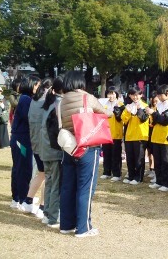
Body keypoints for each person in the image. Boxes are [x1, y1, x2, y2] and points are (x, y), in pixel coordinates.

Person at [59, 71, 106, 237]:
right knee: (85, 188)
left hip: (69, 148)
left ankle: (66, 224)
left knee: (68, 187)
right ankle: (83, 227)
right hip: (87, 146)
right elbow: (105, 113)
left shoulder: (62, 101)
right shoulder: (88, 98)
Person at [20, 78, 53, 218]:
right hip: (45, 144)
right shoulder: (47, 101)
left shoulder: (34, 100)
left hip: (35, 143)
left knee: (41, 173)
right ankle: (42, 207)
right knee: (48, 176)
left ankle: (28, 201)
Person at [9, 76, 41, 209]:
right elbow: (30, 118)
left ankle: (17, 198)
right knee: (23, 169)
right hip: (21, 140)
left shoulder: (25, 98)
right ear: (31, 85)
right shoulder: (26, 99)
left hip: (21, 138)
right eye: (36, 85)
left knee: (19, 168)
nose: (38, 88)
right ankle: (22, 199)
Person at [40, 76, 64, 227]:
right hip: (55, 151)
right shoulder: (60, 103)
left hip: (45, 149)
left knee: (49, 182)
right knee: (56, 184)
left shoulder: (48, 102)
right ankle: (53, 217)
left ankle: (47, 213)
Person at [145, 84, 168, 192]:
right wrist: (155, 115)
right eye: (158, 95)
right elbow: (155, 120)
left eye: (160, 95)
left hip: (166, 138)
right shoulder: (158, 105)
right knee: (158, 161)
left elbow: (165, 121)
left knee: (166, 161)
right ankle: (159, 181)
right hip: (156, 137)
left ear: (167, 94)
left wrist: (154, 114)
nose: (158, 97)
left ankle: (167, 183)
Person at [122, 87, 149, 185]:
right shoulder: (128, 106)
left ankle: (138, 177)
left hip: (141, 136)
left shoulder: (145, 106)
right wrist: (128, 112)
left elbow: (143, 118)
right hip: (129, 135)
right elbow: (124, 120)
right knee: (130, 158)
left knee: (139, 158)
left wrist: (138, 109)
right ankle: (131, 176)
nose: (135, 97)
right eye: (133, 95)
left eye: (137, 94)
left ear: (141, 95)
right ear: (129, 95)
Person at [101, 86, 124, 182]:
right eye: (109, 93)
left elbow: (120, 118)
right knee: (106, 153)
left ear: (117, 95)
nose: (111, 96)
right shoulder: (103, 105)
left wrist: (116, 109)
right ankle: (107, 172)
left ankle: (116, 173)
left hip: (116, 133)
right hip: (106, 133)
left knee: (116, 154)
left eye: (113, 93)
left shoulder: (121, 105)